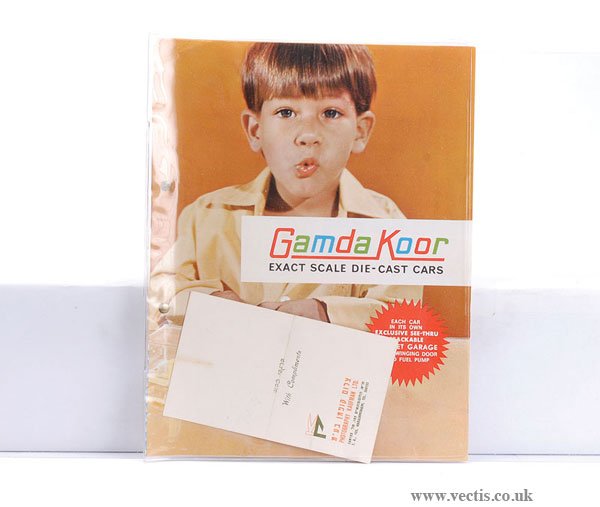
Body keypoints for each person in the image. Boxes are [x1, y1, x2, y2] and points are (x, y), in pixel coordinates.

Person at [148, 42, 422, 331]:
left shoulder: (388, 225)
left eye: (330, 113)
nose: (308, 135)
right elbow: (159, 294)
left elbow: (401, 317)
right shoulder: (206, 216)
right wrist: (212, 302)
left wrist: (324, 312)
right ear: (255, 130)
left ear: (360, 131)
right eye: (286, 112)